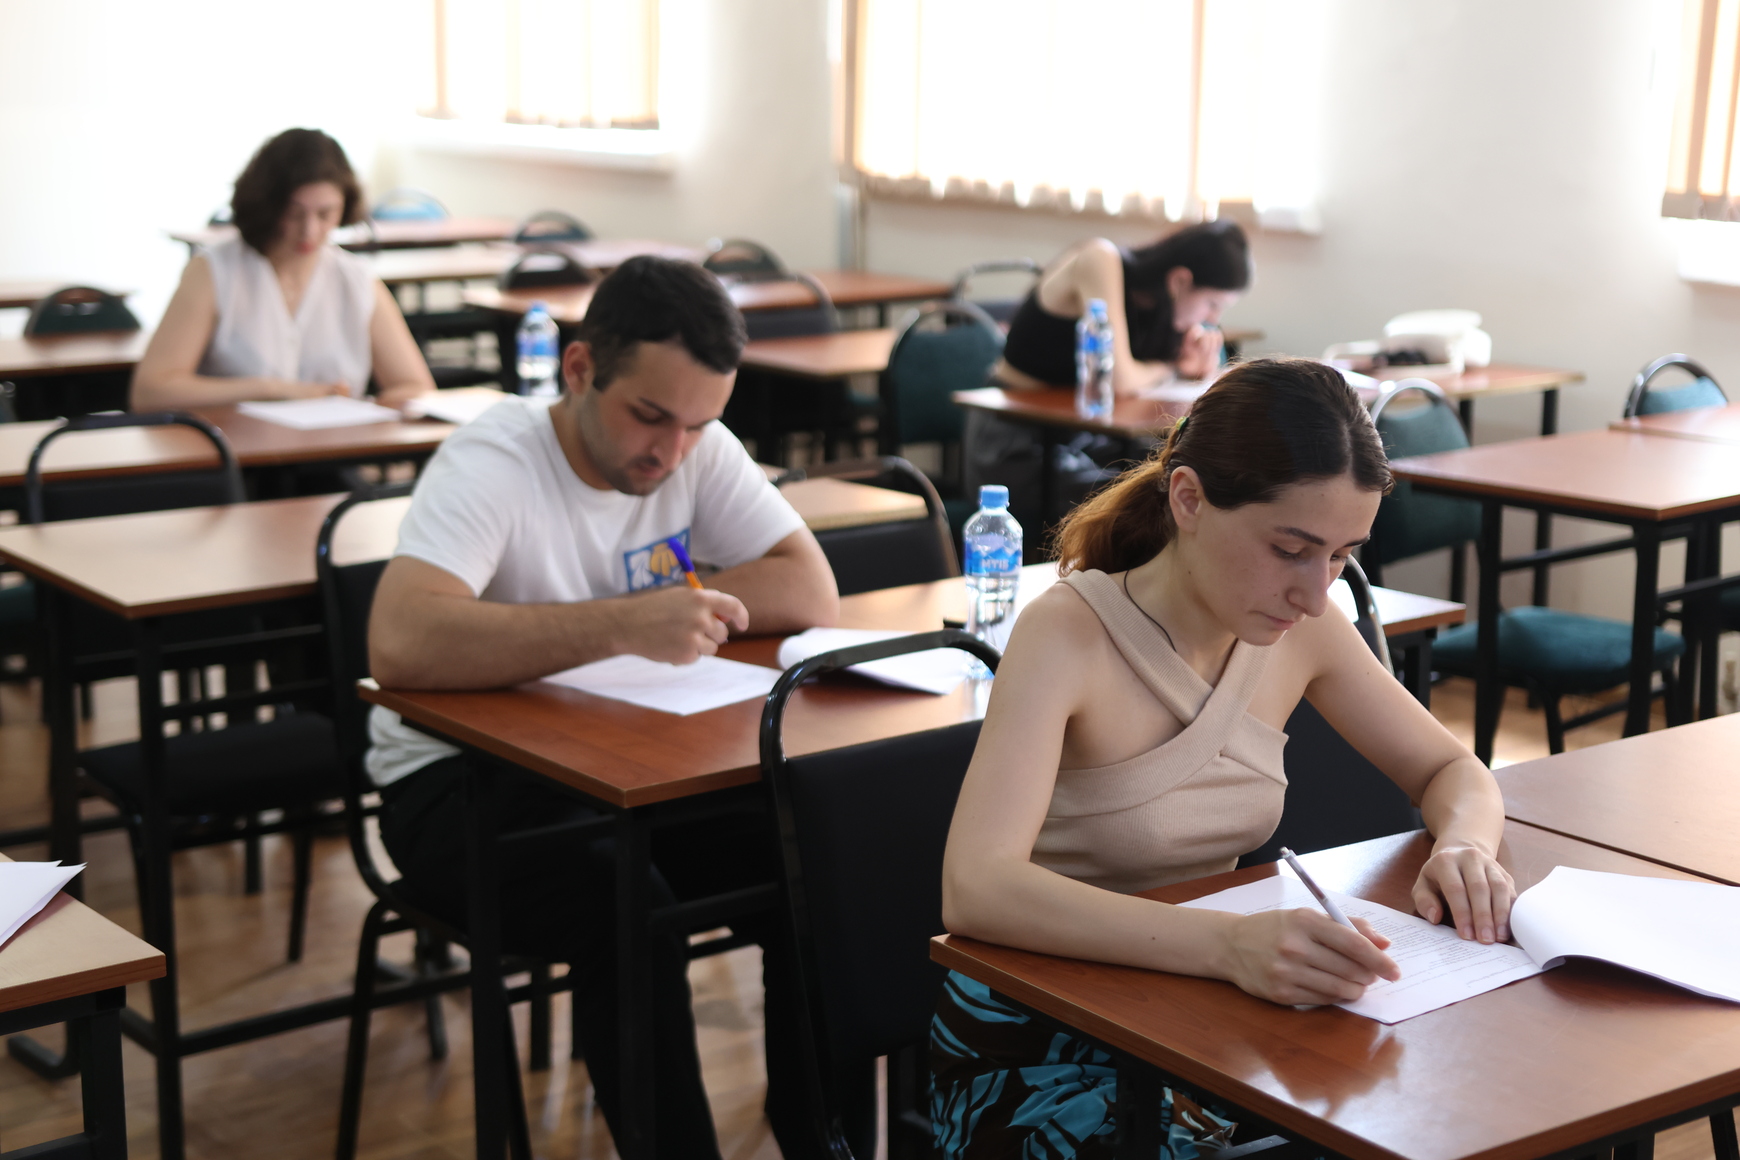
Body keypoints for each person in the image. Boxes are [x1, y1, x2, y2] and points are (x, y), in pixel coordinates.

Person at [933, 359, 1515, 1159]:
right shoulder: (1066, 634)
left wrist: (1465, 846)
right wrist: (1227, 947)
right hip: (1044, 1031)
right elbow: (976, 887)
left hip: (1207, 1013)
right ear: (1188, 499)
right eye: (1291, 549)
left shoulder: (1304, 629)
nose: (1316, 592)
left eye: (1341, 555)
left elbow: (1453, 771)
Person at [365, 256, 840, 1160]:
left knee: (806, 865)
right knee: (627, 907)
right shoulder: (496, 459)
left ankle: (822, 1140)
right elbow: (400, 639)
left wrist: (665, 609)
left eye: (699, 425)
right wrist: (624, 622)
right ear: (579, 369)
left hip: (625, 768)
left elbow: (810, 589)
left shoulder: (692, 439)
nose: (672, 452)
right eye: (649, 417)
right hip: (452, 784)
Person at [966, 219, 1254, 531]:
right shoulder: (1099, 258)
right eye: (1212, 304)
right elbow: (1119, 380)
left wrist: (1190, 366)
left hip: (1080, 438)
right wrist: (1172, 366)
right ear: (1180, 280)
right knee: (1152, 500)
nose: (1213, 319)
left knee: (1190, 472)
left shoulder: (1160, 309)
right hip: (1012, 445)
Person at [131, 128, 434, 411]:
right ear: (268, 205)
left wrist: (376, 408)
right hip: (235, 446)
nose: (309, 230)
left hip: (335, 445)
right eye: (294, 213)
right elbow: (150, 393)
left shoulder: (356, 279)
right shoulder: (213, 271)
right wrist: (268, 389)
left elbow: (416, 387)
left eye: (326, 214)